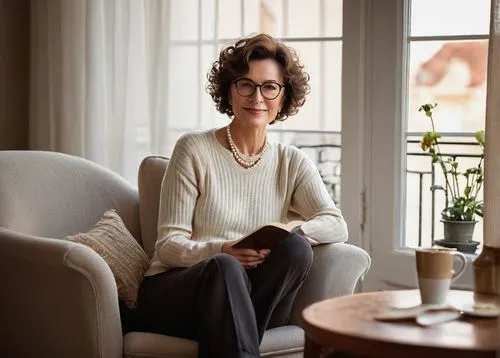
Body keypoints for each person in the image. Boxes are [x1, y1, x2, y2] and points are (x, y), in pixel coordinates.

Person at [128, 33, 348, 358]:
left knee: (296, 248)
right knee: (224, 268)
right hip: (177, 291)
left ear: (283, 97)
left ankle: (232, 336)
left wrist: (289, 231)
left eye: (269, 86)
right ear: (229, 90)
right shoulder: (193, 149)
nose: (257, 97)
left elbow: (336, 224)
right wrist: (223, 251)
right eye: (246, 84)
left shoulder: (292, 161)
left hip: (244, 296)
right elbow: (168, 245)